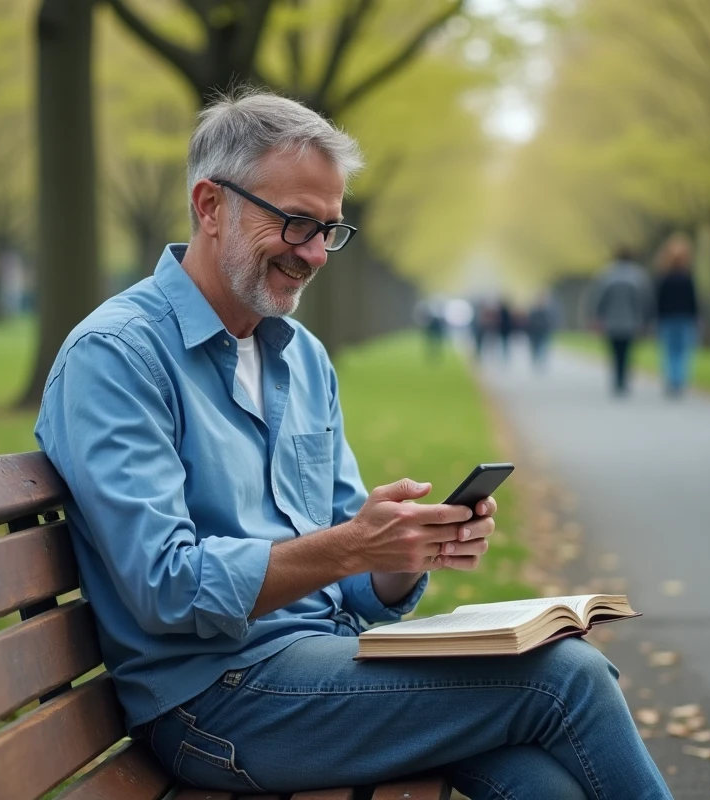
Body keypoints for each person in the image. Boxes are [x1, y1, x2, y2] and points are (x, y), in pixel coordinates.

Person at [35, 89, 671, 799]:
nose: (314, 254)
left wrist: (402, 554)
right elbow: (166, 588)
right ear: (211, 206)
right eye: (297, 224)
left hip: (327, 663)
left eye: (330, 229)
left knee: (540, 781)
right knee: (565, 679)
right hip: (211, 700)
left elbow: (355, 582)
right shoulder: (117, 357)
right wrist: (351, 546)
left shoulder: (302, 357)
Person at [590, 247, 653, 396]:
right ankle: (623, 380)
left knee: (615, 352)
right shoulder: (639, 275)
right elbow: (645, 300)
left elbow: (600, 299)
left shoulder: (607, 275)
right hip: (632, 322)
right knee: (627, 352)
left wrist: (597, 317)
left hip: (611, 321)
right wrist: (646, 319)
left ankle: (617, 379)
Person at [654, 234, 700, 396]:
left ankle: (672, 380)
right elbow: (694, 300)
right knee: (683, 351)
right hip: (685, 319)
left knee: (669, 351)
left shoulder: (664, 278)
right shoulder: (687, 277)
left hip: (667, 319)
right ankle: (679, 380)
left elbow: (659, 301)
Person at [525, 291, 560, 372]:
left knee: (543, 348)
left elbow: (550, 321)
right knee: (535, 348)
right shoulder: (533, 311)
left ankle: (542, 363)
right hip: (534, 332)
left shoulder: (546, 311)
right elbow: (529, 322)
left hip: (543, 332)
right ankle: (536, 362)